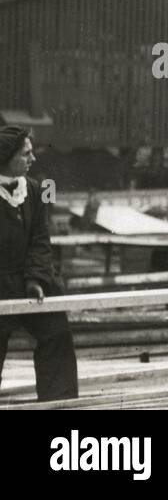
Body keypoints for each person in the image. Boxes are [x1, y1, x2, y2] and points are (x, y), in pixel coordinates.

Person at [0, 126, 79, 400]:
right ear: (5, 157)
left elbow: (40, 240)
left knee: (56, 332)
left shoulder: (34, 190)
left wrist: (36, 280)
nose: (32, 159)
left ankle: (58, 404)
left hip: (29, 282)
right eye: (26, 154)